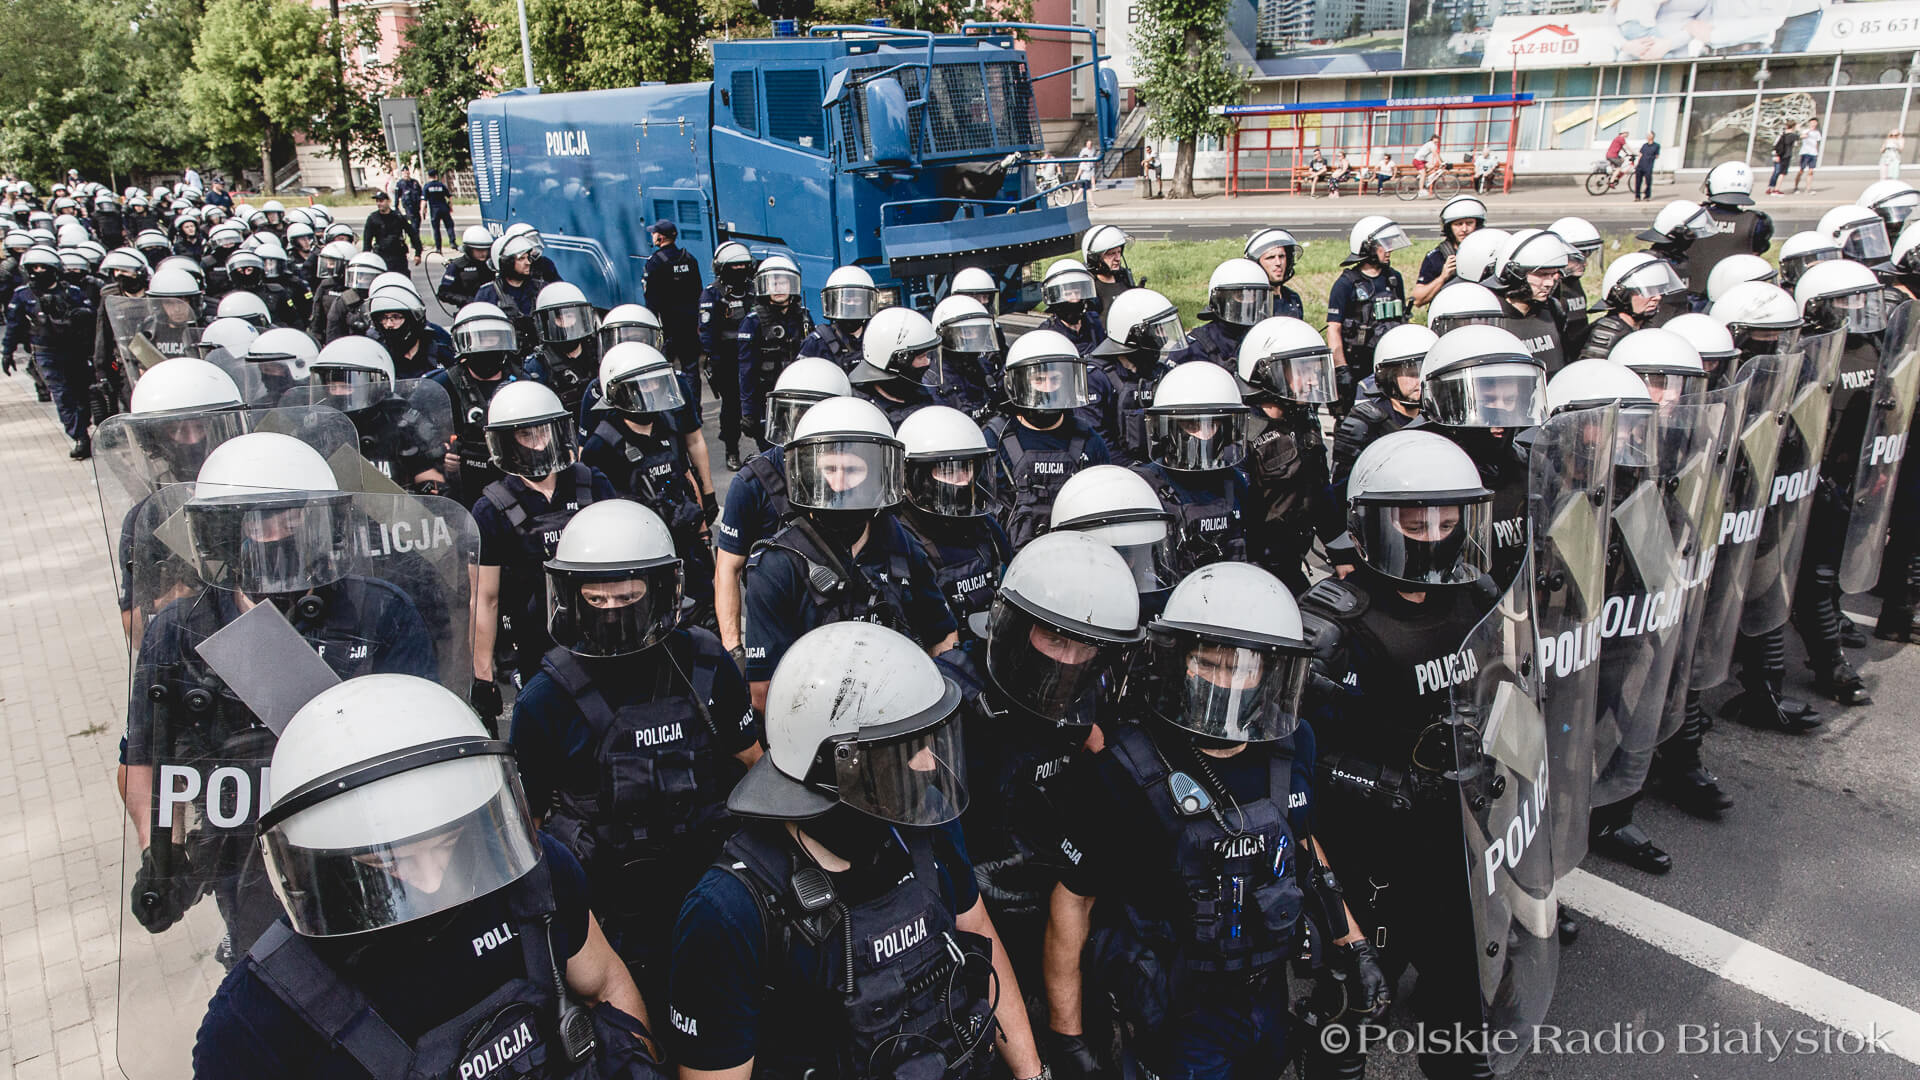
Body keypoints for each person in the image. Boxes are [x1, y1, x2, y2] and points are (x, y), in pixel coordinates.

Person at [192, 674, 662, 1079]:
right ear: (324, 853)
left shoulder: (535, 880)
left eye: (445, 843)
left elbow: (606, 984)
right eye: (387, 862)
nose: (431, 879)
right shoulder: (258, 1015)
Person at [1050, 562, 1387, 1080]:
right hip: (1177, 1011)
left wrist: (1352, 942)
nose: (1224, 683)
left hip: (1267, 995)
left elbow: (1301, 843)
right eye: (1209, 663)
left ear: (1270, 672)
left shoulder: (1292, 744)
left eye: (1242, 668)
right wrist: (1066, 1035)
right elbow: (1073, 901)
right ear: (1180, 660)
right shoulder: (1124, 768)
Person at [668, 620, 1044, 1080]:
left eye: (929, 742)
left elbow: (977, 933)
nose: (929, 764)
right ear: (839, 766)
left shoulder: (924, 827)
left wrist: (1034, 1074)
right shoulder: (729, 913)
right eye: (908, 750)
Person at [123, 435, 437, 975]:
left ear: (322, 522)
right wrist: (164, 853)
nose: (271, 535)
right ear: (220, 530)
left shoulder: (379, 613)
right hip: (246, 854)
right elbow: (143, 763)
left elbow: (428, 747)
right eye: (252, 520)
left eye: (288, 516)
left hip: (364, 847)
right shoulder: (179, 633)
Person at [1296, 429, 1503, 1079]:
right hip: (1368, 854)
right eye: (1416, 520)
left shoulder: (1477, 596)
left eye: (1448, 518)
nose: (1436, 532)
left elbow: (1509, 690)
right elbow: (1293, 762)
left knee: (1461, 995)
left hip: (1456, 837)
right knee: (1351, 1005)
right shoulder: (1332, 625)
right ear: (1374, 525)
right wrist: (1377, 783)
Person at [509, 498, 754, 1011]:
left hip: (716, 893)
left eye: (627, 597)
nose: (613, 614)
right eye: (595, 600)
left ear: (662, 590)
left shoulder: (706, 664)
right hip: (609, 919)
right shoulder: (544, 700)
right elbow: (524, 836)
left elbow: (757, 766)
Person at [740, 398, 959, 706]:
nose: (839, 483)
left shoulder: (900, 543)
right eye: (829, 469)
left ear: (874, 475)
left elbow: (943, 636)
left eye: (853, 469)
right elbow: (764, 694)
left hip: (902, 711)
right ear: (808, 473)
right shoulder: (776, 565)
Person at [471, 381, 619, 726]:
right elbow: (485, 597)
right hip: (535, 643)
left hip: (600, 632)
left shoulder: (591, 483)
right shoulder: (490, 509)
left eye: (545, 433)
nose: (539, 443)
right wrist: (483, 676)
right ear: (508, 441)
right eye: (527, 436)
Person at [712, 357, 852, 666]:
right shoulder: (751, 483)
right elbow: (727, 568)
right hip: (779, 623)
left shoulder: (855, 472)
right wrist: (734, 649)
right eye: (794, 413)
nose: (800, 425)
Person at [580, 342, 716, 622]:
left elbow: (685, 477)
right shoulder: (601, 446)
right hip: (641, 555)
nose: (651, 392)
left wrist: (703, 534)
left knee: (705, 616)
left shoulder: (667, 425)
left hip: (685, 543)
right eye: (642, 386)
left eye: (655, 384)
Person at [893, 406, 1011, 655]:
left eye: (966, 468)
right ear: (916, 476)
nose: (961, 481)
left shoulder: (988, 529)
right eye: (947, 470)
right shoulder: (899, 540)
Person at [986, 329, 1113, 548]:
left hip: (1076, 551)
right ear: (1016, 384)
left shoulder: (1088, 439)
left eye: (1055, 380)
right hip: (1013, 557)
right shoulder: (995, 439)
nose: (1048, 389)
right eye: (1039, 380)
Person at [1237, 316, 1335, 593]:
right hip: (1258, 568)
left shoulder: (1305, 419)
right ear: (1266, 372)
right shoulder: (1242, 432)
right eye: (1303, 370)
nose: (1314, 378)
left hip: (1294, 559)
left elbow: (1320, 490)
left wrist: (1341, 552)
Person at [1131, 361, 1251, 576]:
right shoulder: (1142, 488)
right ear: (1167, 428)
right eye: (1192, 426)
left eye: (1212, 426)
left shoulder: (1233, 482)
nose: (1204, 436)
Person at [435, 302, 547, 507]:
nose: (486, 346)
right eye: (479, 339)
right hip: (464, 479)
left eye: (492, 338)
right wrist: (442, 457)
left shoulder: (524, 381)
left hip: (514, 474)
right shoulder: (444, 384)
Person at [5, 245, 95, 458]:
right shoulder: (23, 295)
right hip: (46, 352)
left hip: (74, 351)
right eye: (33, 267)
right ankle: (79, 436)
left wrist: (82, 315)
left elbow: (90, 317)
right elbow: (13, 325)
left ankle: (83, 425)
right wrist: (7, 352)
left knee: (81, 393)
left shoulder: (71, 292)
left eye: (42, 267)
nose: (38, 271)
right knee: (62, 395)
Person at [1326, 216, 1412, 415]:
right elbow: (1334, 328)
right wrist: (1341, 369)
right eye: (1384, 245)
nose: (1389, 249)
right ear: (1367, 247)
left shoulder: (1393, 279)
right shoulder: (1346, 284)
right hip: (1358, 364)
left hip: (1387, 363)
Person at [1088, 287, 1182, 463]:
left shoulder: (1161, 374)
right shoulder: (1097, 379)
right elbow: (1097, 443)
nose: (1162, 338)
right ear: (1132, 334)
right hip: (1118, 473)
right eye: (1157, 331)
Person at [736, 254, 812, 452]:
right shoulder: (753, 322)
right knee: (773, 454)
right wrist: (748, 413)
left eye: (783, 282)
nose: (778, 288)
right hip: (768, 401)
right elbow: (746, 371)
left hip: (800, 397)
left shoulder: (803, 317)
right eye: (773, 283)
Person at [699, 241, 756, 468]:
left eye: (743, 266)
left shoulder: (755, 289)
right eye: (734, 266)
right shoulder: (713, 294)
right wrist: (714, 359)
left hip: (752, 357)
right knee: (731, 407)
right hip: (728, 360)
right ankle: (731, 450)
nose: (739, 271)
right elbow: (707, 331)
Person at [850, 305, 945, 431]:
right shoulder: (865, 416)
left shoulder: (923, 393)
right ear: (897, 362)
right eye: (921, 356)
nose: (928, 362)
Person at [1491, 229, 1573, 374]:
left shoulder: (1554, 309)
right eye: (1542, 275)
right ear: (1516, 274)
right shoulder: (1490, 315)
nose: (1549, 283)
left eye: (1553, 275)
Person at [1168, 258, 1271, 374]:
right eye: (1241, 296)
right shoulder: (1194, 349)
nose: (1249, 303)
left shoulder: (1266, 342)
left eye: (1254, 296)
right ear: (1219, 299)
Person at [642, 220, 703, 401]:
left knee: (662, 369)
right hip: (689, 325)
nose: (652, 235)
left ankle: (668, 409)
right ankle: (694, 411)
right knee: (691, 369)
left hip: (667, 326)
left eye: (654, 233)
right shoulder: (690, 259)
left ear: (660, 237)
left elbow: (651, 301)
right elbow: (698, 292)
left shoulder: (654, 263)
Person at [532, 281, 603, 417]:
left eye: (570, 316)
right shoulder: (538, 364)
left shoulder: (598, 352)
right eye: (559, 318)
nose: (565, 324)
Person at [1638, 199, 1717, 321]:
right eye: (1691, 235)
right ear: (1677, 232)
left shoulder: (1680, 260)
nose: (1694, 239)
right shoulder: (1648, 263)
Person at [475, 230, 549, 352]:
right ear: (506, 263)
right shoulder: (487, 294)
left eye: (528, 258)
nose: (528, 263)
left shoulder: (542, 289)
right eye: (521, 259)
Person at [1413, 195, 1486, 307]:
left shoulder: (1488, 252)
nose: (1464, 229)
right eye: (1458, 224)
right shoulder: (1436, 257)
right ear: (1449, 227)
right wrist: (1443, 277)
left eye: (1469, 223)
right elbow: (1417, 300)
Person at [800, 264, 877, 371]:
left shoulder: (878, 338)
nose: (851, 304)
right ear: (834, 302)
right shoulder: (816, 343)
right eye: (846, 300)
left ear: (866, 301)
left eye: (857, 299)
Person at [1036, 259, 1106, 354]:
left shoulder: (1093, 321)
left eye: (1077, 292)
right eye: (1068, 294)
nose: (1075, 298)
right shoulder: (1047, 334)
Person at [1245, 229, 1305, 320]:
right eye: (1271, 257)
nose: (1278, 262)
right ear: (1256, 263)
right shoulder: (1249, 301)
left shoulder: (1293, 299)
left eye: (1281, 256)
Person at [437, 225, 497, 312]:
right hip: (468, 311)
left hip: (493, 309)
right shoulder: (457, 266)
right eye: (478, 250)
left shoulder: (493, 264)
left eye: (485, 249)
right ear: (468, 249)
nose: (483, 253)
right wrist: (467, 300)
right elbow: (443, 293)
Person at [1082, 224, 1136, 320]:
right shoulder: (1089, 287)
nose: (1118, 258)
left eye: (1119, 252)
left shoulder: (1124, 278)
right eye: (1111, 254)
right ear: (1094, 258)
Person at [362, 190, 421, 274]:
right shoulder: (373, 218)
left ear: (388, 201)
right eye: (377, 201)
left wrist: (418, 252)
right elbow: (367, 239)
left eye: (381, 201)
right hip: (381, 256)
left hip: (398, 256)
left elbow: (412, 234)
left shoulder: (398, 217)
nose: (379, 203)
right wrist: (366, 257)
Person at [422, 168, 456, 252]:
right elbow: (450, 196)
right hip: (444, 208)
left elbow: (424, 200)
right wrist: (450, 206)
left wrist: (422, 211)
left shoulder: (427, 186)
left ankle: (438, 248)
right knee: (449, 226)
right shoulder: (441, 185)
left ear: (429, 176)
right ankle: (452, 243)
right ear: (436, 176)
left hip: (434, 210)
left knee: (436, 229)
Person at [1766, 123, 1799, 196]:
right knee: (1781, 173)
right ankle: (1776, 190)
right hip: (1785, 156)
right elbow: (1801, 136)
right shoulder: (1792, 135)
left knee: (1776, 172)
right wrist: (1798, 130)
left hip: (1778, 155)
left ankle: (1771, 188)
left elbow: (1775, 145)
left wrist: (1775, 155)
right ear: (1793, 127)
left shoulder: (1781, 135)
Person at [1792, 118, 1822, 194]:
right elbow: (1801, 136)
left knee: (1811, 171)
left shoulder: (1817, 133)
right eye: (1812, 122)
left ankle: (1808, 188)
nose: (1814, 124)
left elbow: (1817, 142)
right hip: (1805, 152)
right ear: (1809, 123)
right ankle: (1796, 187)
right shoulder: (1806, 131)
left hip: (1813, 153)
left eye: (1815, 122)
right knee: (1801, 170)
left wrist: (1817, 152)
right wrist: (1809, 131)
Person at [393, 167, 424, 237]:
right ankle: (415, 241)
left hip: (416, 206)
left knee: (417, 223)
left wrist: (423, 208)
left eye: (407, 172)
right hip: (408, 207)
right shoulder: (400, 183)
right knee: (413, 224)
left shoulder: (414, 182)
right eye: (404, 172)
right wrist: (396, 207)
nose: (406, 174)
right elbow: (397, 196)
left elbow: (421, 194)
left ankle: (416, 240)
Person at [1633, 131, 1660, 201]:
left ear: (1652, 136)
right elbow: (1640, 154)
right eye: (1647, 135)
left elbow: (1657, 156)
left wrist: (1651, 158)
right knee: (1638, 182)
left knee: (1648, 182)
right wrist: (1637, 164)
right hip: (1640, 166)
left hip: (1648, 166)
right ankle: (1637, 197)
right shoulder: (1644, 145)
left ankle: (1647, 196)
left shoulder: (1656, 146)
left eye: (1649, 135)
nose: (1647, 137)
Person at [1413, 130, 1442, 194]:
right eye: (1436, 139)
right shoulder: (1431, 144)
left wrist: (1442, 161)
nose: (1437, 141)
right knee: (1423, 174)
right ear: (1433, 139)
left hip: (1422, 160)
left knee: (1432, 166)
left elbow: (1437, 154)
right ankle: (1421, 190)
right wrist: (1440, 163)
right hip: (1418, 160)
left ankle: (1420, 176)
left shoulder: (1434, 145)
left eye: (1438, 140)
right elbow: (1435, 154)